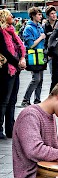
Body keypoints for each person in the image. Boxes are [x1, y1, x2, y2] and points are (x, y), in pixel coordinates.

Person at [0, 9, 26, 140]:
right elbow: (5, 51)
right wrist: (18, 62)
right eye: (10, 15)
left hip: (15, 69)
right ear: (4, 17)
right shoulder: (1, 32)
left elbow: (19, 47)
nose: (12, 16)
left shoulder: (12, 32)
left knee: (13, 100)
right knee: (4, 100)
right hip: (6, 69)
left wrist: (22, 58)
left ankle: (10, 128)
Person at [21, 7, 46, 107]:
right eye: (38, 14)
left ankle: (37, 99)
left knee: (40, 79)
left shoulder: (39, 26)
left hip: (40, 54)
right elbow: (31, 44)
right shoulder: (28, 28)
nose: (40, 16)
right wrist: (41, 37)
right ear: (33, 15)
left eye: (41, 14)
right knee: (36, 78)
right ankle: (25, 99)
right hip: (33, 55)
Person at [43, 5, 58, 75]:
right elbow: (44, 41)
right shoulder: (44, 26)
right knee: (54, 75)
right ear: (48, 15)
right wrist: (47, 53)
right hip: (50, 55)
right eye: (52, 13)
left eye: (55, 13)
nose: (54, 15)